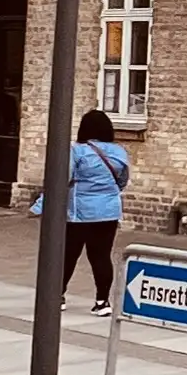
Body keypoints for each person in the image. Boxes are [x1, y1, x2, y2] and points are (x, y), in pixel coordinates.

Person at [53, 107, 132, 310]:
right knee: (101, 256)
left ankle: (57, 296)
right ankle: (102, 301)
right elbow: (122, 181)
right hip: (108, 212)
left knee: (69, 254)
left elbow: (64, 178)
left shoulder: (77, 151)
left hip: (80, 213)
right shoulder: (120, 152)